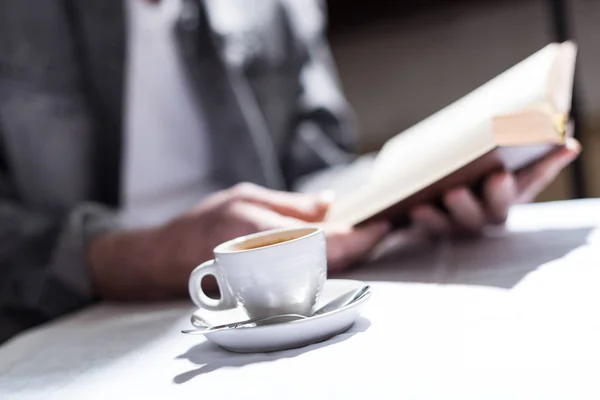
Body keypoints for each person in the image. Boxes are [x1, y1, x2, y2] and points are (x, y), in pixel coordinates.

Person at [0, 0, 579, 343]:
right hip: (61, 323)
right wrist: (131, 257)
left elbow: (316, 170)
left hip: (271, 308)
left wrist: (424, 197)